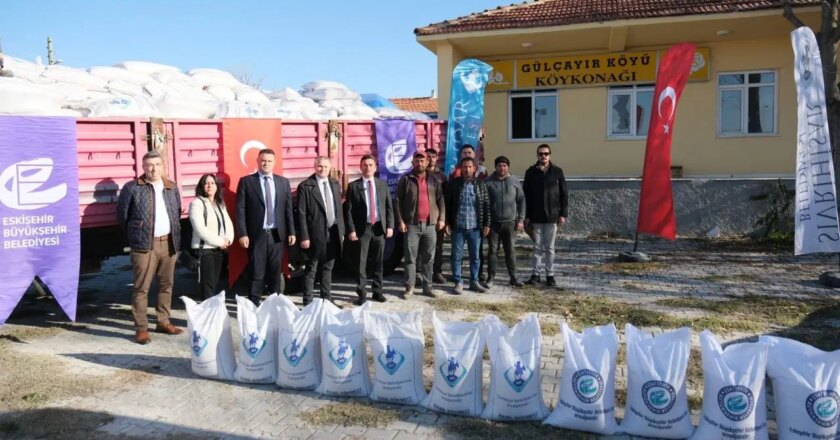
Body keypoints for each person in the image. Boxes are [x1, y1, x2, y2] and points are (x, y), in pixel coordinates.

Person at [116, 150, 183, 345]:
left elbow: (176, 211)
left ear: (163, 167)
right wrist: (138, 234)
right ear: (143, 167)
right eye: (149, 165)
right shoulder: (132, 188)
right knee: (141, 288)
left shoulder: (171, 187)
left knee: (166, 285)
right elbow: (122, 216)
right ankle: (141, 329)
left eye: (157, 165)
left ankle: (163, 321)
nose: (153, 169)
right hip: (145, 245)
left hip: (169, 243)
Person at [236, 148, 296, 304]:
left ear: (274, 162)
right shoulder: (247, 182)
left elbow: (288, 209)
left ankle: (274, 302)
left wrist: (291, 231)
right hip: (257, 234)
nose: (266, 163)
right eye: (263, 160)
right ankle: (254, 303)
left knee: (276, 271)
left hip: (278, 234)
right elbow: (240, 210)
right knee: (256, 271)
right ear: (257, 161)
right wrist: (243, 233)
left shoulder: (283, 182)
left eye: (269, 161)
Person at [344, 155, 394, 305]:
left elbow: (388, 207)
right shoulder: (353, 187)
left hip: (379, 228)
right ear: (361, 167)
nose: (368, 167)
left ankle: (377, 292)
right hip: (362, 229)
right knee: (361, 262)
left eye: (371, 165)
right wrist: (351, 230)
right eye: (365, 165)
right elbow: (348, 211)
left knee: (379, 262)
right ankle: (362, 294)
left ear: (375, 167)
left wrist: (390, 226)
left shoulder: (382, 185)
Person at [395, 152, 445, 298]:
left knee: (429, 257)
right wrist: (401, 221)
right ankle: (409, 287)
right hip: (412, 225)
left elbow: (440, 199)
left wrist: (441, 218)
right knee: (410, 258)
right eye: (417, 161)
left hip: (430, 225)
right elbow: (397, 201)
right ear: (413, 163)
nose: (420, 163)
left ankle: (427, 287)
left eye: (422, 160)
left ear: (426, 162)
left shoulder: (434, 179)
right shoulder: (405, 179)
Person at [297, 156, 345, 306]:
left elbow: (339, 209)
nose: (322, 169)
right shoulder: (305, 186)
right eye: (320, 166)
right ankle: (308, 303)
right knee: (311, 269)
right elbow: (301, 214)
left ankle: (327, 300)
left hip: (333, 232)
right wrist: (304, 236)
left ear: (330, 168)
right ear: (314, 167)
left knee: (328, 268)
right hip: (314, 235)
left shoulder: (335, 184)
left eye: (325, 166)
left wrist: (342, 231)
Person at [523, 144, 568, 287]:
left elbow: (564, 194)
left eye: (546, 153)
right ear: (537, 155)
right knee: (537, 247)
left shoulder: (557, 172)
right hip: (536, 216)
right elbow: (526, 195)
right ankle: (535, 275)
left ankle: (550, 275)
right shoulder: (530, 172)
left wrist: (563, 214)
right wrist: (526, 215)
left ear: (550, 155)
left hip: (552, 216)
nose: (543, 156)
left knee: (549, 248)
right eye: (541, 154)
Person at [445, 157, 491, 295]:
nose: (467, 169)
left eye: (470, 167)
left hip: (475, 228)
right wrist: (447, 222)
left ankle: (474, 282)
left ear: (475, 168)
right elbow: (447, 205)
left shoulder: (481, 185)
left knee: (475, 257)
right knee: (456, 256)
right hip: (458, 227)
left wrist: (487, 223)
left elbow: (486, 205)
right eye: (464, 167)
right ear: (461, 168)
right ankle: (458, 282)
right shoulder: (454, 184)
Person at [188, 173, 234, 300]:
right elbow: (200, 229)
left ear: (216, 186)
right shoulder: (197, 204)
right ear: (201, 186)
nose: (210, 185)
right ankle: (207, 316)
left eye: (212, 183)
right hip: (205, 250)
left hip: (219, 249)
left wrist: (228, 239)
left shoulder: (219, 203)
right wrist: (220, 241)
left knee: (214, 284)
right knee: (207, 287)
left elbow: (228, 223)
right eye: (206, 183)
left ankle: (212, 315)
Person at [485, 156, 526, 288]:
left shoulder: (514, 181)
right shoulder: (488, 182)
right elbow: (484, 203)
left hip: (510, 223)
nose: (502, 168)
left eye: (504, 165)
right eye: (499, 166)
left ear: (508, 167)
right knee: (492, 251)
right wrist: (485, 222)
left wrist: (521, 219)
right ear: (495, 167)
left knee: (510, 251)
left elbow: (521, 201)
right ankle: (490, 277)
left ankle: (513, 277)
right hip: (493, 224)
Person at [426, 148, 448, 284]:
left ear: (436, 158)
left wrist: (443, 219)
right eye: (428, 156)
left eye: (433, 156)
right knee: (423, 248)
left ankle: (437, 272)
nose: (431, 159)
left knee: (438, 247)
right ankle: (421, 274)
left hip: (437, 218)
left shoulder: (442, 176)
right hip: (423, 217)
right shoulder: (421, 174)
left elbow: (444, 199)